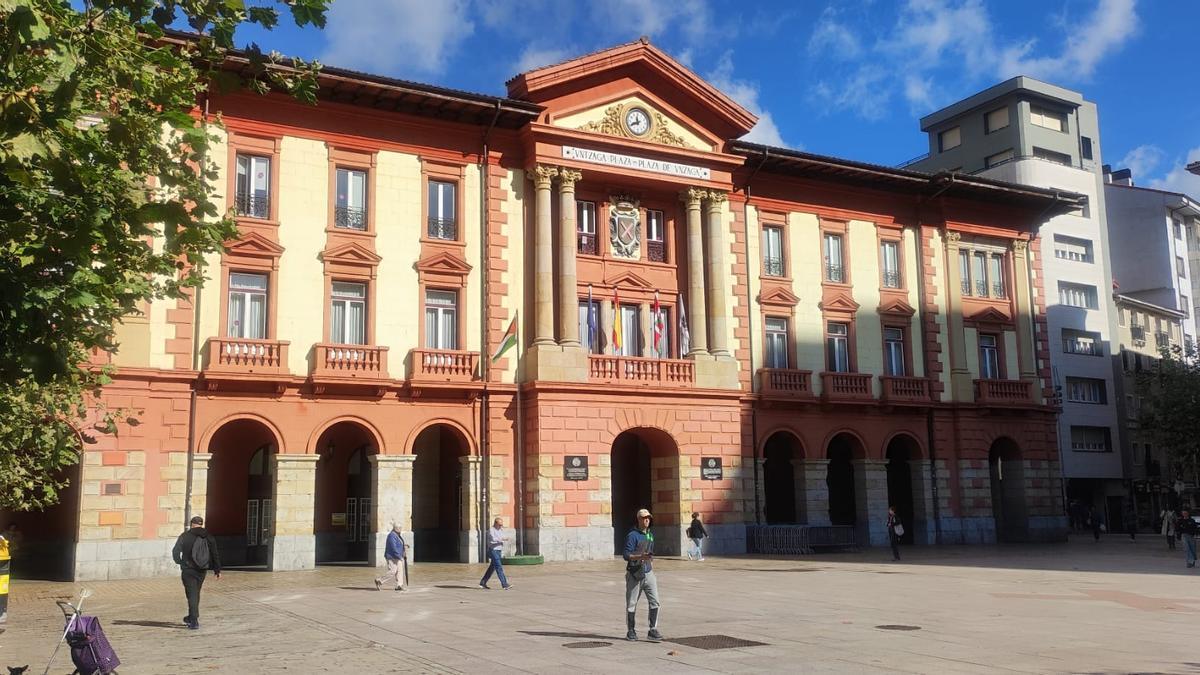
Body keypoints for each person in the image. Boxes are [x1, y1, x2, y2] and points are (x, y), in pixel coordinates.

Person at [171, 515, 220, 630]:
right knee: (195, 593)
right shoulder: (209, 537)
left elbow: (175, 551)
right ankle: (192, 616)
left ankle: (193, 620)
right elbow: (215, 553)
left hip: (188, 569)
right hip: (202, 570)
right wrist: (217, 569)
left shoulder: (185, 536)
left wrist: (180, 562)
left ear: (192, 524)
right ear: (201, 524)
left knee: (191, 594)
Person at [622, 508, 662, 642]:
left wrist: (650, 562)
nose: (647, 520)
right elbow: (626, 555)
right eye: (644, 518)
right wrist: (640, 556)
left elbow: (650, 551)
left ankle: (653, 629)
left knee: (655, 601)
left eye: (649, 518)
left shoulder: (650, 534)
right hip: (635, 573)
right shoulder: (632, 535)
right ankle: (631, 631)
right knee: (631, 603)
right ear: (639, 519)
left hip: (648, 572)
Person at [479, 517, 512, 590]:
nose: (501, 526)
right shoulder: (491, 530)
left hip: (498, 550)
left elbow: (502, 537)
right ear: (495, 523)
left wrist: (503, 539)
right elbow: (493, 539)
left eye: (501, 525)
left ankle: (483, 583)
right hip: (493, 550)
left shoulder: (500, 530)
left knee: (492, 568)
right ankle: (505, 584)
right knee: (498, 566)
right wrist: (502, 539)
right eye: (500, 525)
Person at [374, 523, 408, 591]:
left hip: (397, 556)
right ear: (396, 528)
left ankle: (399, 585)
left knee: (400, 571)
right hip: (392, 556)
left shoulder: (397, 535)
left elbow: (398, 544)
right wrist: (399, 556)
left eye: (401, 528)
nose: (400, 529)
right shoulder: (391, 536)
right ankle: (379, 580)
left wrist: (404, 547)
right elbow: (393, 547)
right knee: (393, 571)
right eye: (399, 528)